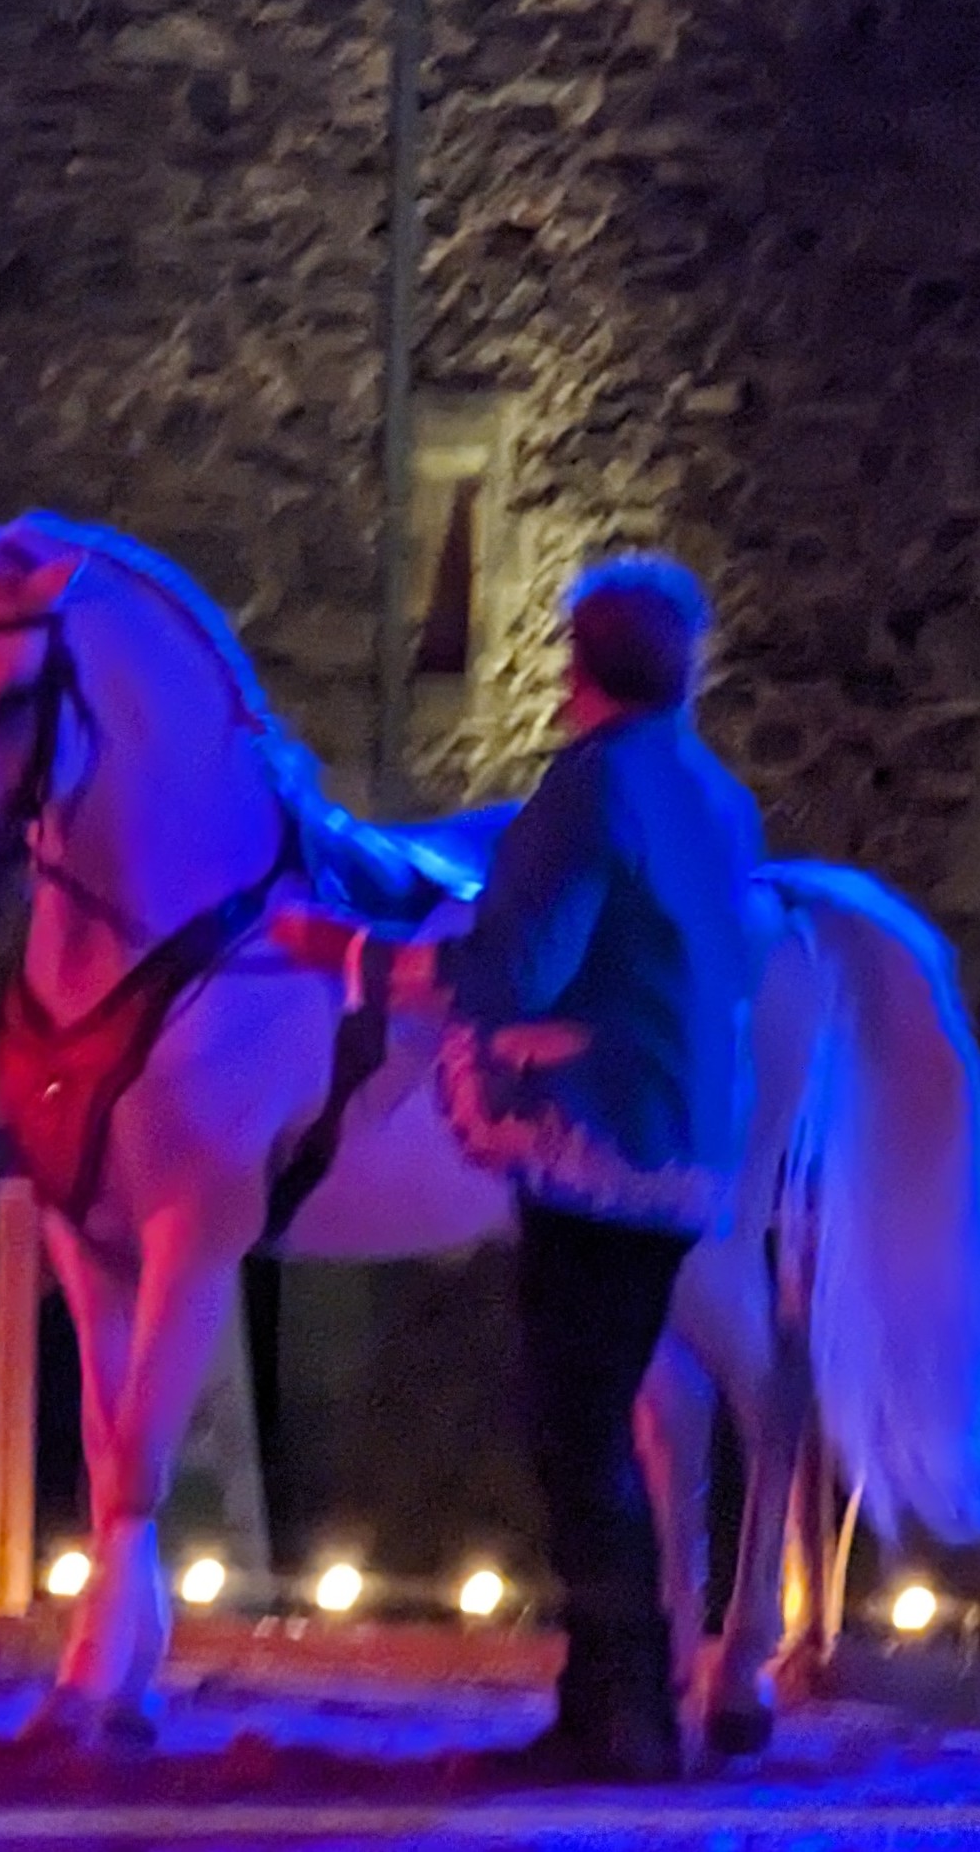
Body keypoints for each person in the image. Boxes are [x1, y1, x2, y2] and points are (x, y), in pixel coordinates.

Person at [272, 552, 763, 1783]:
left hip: (590, 1149)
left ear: (573, 669)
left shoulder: (588, 788)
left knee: (577, 1439)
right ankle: (626, 1704)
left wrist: (343, 955)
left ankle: (619, 1716)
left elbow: (505, 973)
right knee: (596, 1427)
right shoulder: (711, 792)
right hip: (683, 1147)